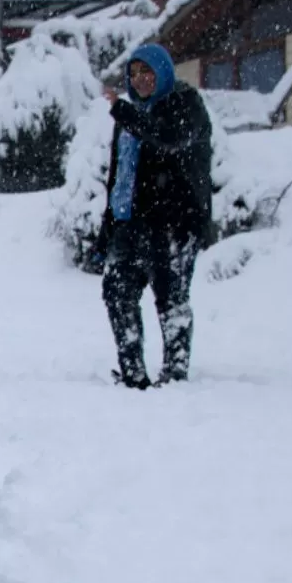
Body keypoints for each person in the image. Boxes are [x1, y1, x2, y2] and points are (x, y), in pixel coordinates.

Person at [94, 43, 215, 389]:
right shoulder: (131, 116)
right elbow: (120, 177)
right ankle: (132, 373)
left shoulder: (184, 104)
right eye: (133, 74)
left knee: (171, 295)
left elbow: (168, 138)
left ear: (162, 72)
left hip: (176, 222)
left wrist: (124, 113)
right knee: (117, 289)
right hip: (132, 222)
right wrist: (109, 228)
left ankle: (175, 373)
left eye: (146, 72)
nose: (140, 80)